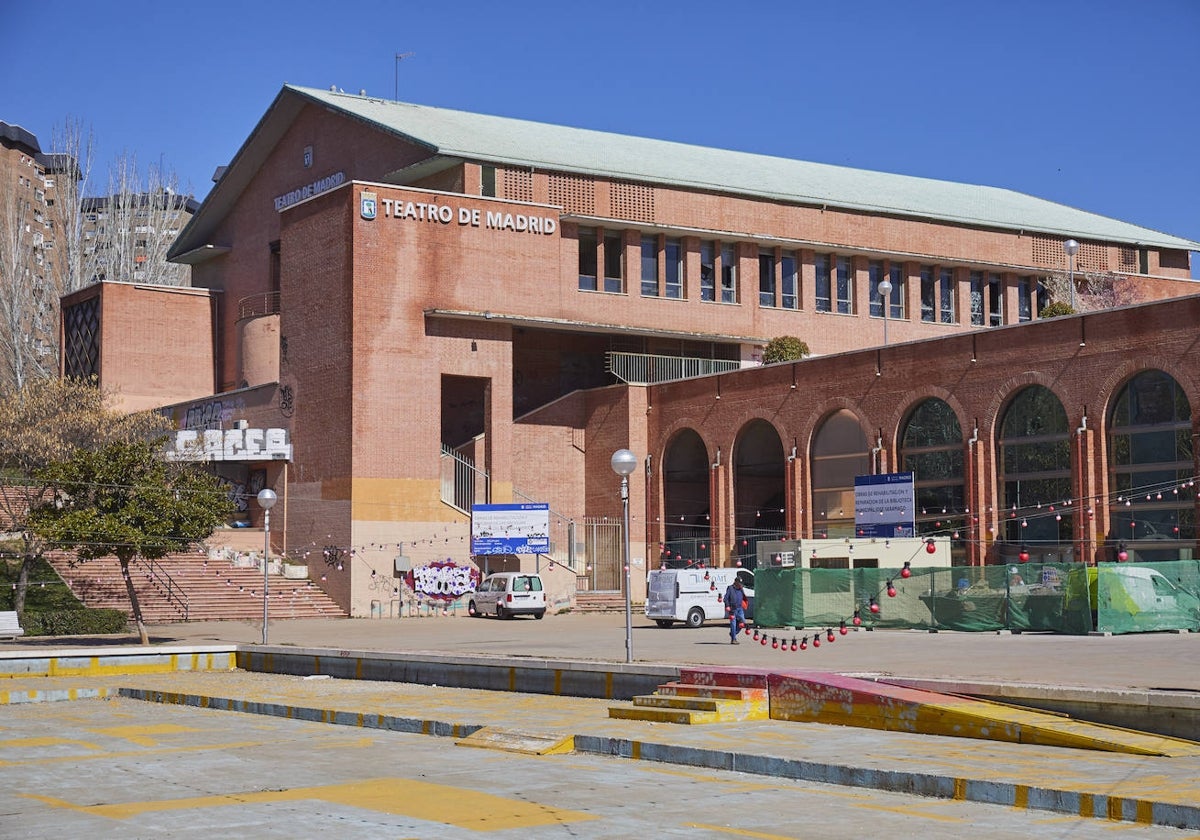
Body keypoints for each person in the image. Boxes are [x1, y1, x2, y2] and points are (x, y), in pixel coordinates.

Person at [724, 577, 746, 644]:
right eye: (739, 583)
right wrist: (727, 606)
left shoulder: (741, 589)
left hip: (740, 609)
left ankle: (733, 633)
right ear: (735, 582)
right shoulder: (730, 588)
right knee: (733, 624)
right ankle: (733, 639)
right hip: (732, 609)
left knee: (743, 623)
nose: (740, 585)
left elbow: (743, 597)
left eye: (741, 583)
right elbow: (725, 598)